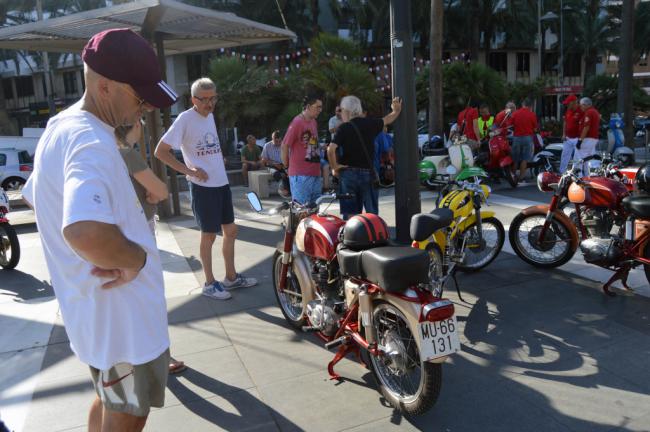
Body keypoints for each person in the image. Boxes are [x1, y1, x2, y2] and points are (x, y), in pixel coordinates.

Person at [22, 28, 178, 431]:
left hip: (95, 318)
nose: (146, 107)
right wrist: (135, 258)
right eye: (140, 97)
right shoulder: (91, 143)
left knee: (108, 400)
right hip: (123, 323)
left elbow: (34, 197)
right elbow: (83, 231)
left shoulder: (61, 127)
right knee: (127, 412)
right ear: (105, 87)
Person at [155, 77, 257, 301]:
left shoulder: (209, 116)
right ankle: (210, 283)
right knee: (208, 235)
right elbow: (160, 151)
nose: (210, 104)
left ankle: (230, 277)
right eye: (205, 100)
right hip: (203, 188)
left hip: (221, 184)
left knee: (230, 231)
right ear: (193, 99)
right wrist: (189, 171)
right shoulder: (184, 119)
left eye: (214, 98)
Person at [115, 120, 186, 375]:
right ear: (132, 127)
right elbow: (159, 190)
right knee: (151, 294)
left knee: (131, 297)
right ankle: (159, 356)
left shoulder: (106, 153)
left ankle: (138, 356)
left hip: (118, 232)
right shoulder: (127, 154)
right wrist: (155, 194)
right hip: (140, 229)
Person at [327, 95, 402, 219]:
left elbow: (331, 149)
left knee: (350, 216)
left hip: (348, 173)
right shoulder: (370, 123)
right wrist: (396, 110)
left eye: (341, 110)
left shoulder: (343, 128)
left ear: (347, 111)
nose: (340, 114)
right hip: (368, 173)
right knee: (372, 214)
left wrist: (335, 167)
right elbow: (388, 119)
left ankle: (352, 237)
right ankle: (373, 236)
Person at [281, 94, 324, 204]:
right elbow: (284, 145)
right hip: (301, 175)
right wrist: (286, 167)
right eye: (317, 107)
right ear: (308, 107)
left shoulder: (313, 121)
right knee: (302, 212)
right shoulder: (297, 122)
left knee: (314, 213)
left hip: (315, 173)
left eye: (321, 107)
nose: (320, 110)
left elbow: (311, 144)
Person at [511, 98, 538, 183]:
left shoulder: (515, 113)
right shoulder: (532, 114)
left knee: (515, 159)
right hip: (527, 138)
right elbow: (535, 128)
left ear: (523, 105)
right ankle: (521, 177)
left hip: (517, 138)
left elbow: (511, 124)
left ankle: (512, 175)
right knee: (524, 159)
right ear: (530, 106)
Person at [261, 130, 290, 197]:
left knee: (289, 174)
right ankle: (283, 190)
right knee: (277, 174)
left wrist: (285, 166)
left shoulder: (284, 145)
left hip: (283, 164)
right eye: (276, 141)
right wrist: (274, 164)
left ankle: (288, 191)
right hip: (271, 165)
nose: (278, 143)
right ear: (272, 139)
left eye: (279, 141)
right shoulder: (267, 145)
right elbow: (264, 159)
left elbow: (289, 157)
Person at [576, 97, 601, 173]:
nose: (580, 108)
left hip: (588, 138)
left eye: (581, 106)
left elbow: (586, 127)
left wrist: (580, 140)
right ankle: (587, 175)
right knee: (587, 158)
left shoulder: (589, 112)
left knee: (578, 157)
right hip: (593, 138)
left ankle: (578, 175)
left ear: (585, 105)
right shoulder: (595, 112)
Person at [559, 94, 583, 173]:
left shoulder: (581, 110)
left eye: (568, 103)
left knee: (577, 158)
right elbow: (565, 122)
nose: (566, 105)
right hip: (568, 138)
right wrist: (563, 134)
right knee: (564, 156)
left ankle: (577, 174)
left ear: (573, 102)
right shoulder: (568, 110)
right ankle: (562, 173)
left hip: (577, 138)